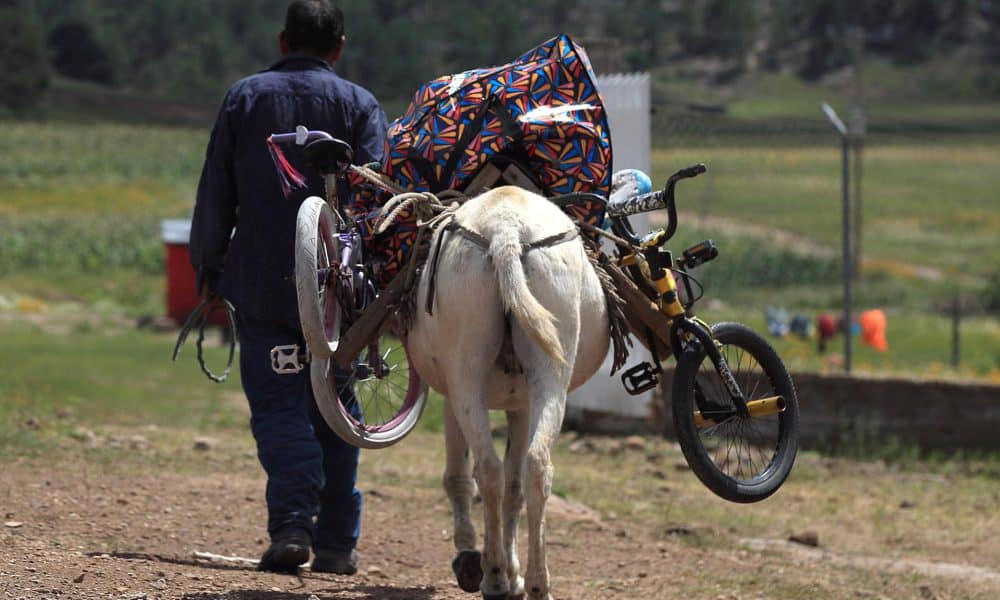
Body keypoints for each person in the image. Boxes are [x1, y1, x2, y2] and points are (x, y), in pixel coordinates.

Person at [189, 0, 388, 575]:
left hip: (261, 283)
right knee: (337, 404)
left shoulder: (244, 98)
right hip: (338, 289)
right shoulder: (360, 103)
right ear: (339, 47)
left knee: (278, 403)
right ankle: (336, 543)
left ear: (282, 41)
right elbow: (375, 197)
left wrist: (207, 266)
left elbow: (215, 189)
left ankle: (293, 525)